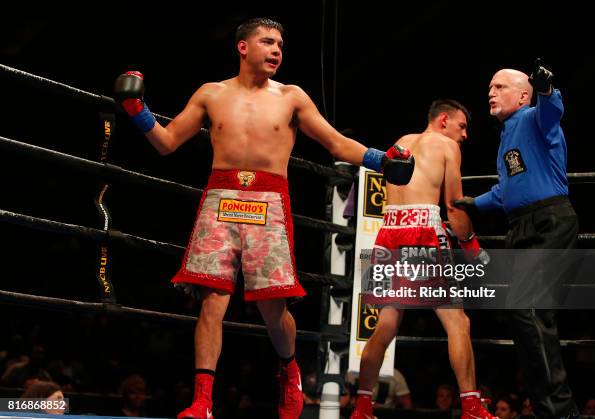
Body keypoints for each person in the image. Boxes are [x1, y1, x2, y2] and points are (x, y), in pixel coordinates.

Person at [114, 17, 414, 419]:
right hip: (220, 197)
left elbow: (335, 143)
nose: (277, 51)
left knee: (274, 311)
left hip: (268, 200)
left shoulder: (291, 97)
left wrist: (381, 160)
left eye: (280, 45)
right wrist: (137, 111)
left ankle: (289, 370)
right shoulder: (211, 93)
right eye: (268, 42)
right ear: (243, 47)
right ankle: (202, 401)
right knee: (212, 302)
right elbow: (167, 143)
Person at [350, 99, 494, 419]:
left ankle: (361, 406)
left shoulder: (401, 142)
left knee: (386, 323)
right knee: (458, 321)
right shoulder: (446, 146)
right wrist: (470, 245)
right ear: (443, 120)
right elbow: (454, 207)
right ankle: (471, 406)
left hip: (388, 231)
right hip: (422, 230)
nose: (465, 134)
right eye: (462, 126)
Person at [454, 60, 580, 418]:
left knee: (528, 309)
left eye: (499, 87)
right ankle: (548, 407)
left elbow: (553, 110)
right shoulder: (508, 132)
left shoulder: (532, 117)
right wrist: (471, 203)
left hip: (549, 221)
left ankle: (559, 409)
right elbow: (507, 189)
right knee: (522, 313)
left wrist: (546, 89)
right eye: (490, 88)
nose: (490, 93)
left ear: (523, 95)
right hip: (522, 225)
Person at [345, 368, 413, 409]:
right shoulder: (350, 372)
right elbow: (343, 401)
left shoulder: (395, 374)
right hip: (357, 413)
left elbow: (407, 404)